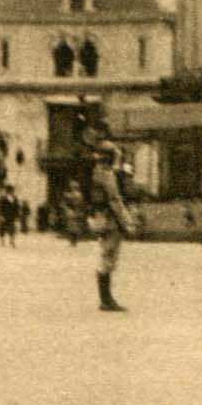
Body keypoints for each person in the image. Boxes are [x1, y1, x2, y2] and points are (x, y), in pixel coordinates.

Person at [80, 117, 135, 311]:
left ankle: (106, 297)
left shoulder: (96, 172)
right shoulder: (106, 174)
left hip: (99, 216)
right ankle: (106, 299)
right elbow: (115, 199)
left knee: (106, 254)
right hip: (110, 219)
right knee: (109, 256)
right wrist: (127, 222)